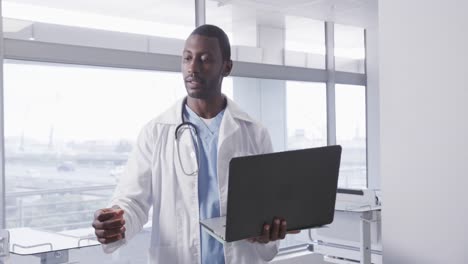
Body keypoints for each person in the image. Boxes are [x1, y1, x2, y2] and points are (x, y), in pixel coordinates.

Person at [92, 24, 297, 264]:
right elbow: (132, 200)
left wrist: (267, 234)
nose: (193, 68)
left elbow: (265, 207)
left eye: (205, 59)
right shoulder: (156, 132)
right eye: (187, 58)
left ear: (227, 67)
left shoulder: (254, 133)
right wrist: (114, 223)